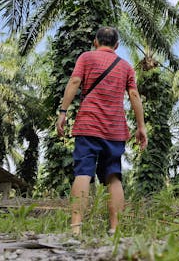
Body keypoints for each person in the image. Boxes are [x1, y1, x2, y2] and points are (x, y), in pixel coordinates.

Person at [56, 26, 147, 236]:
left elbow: (75, 81)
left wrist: (63, 112)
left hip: (88, 125)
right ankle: (115, 230)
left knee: (83, 173)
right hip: (115, 130)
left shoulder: (86, 58)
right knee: (113, 177)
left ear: (96, 41)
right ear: (116, 45)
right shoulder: (125, 67)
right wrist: (141, 127)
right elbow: (134, 95)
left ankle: (76, 228)